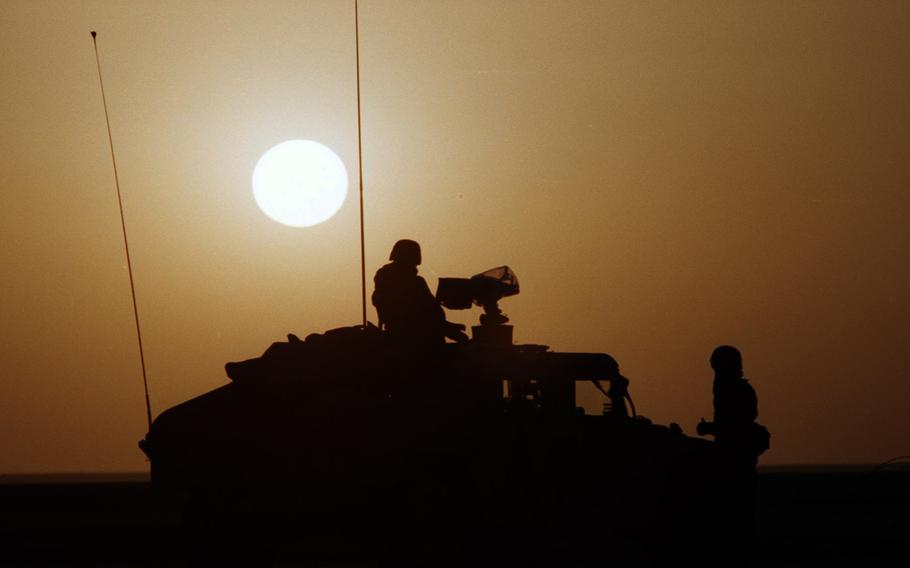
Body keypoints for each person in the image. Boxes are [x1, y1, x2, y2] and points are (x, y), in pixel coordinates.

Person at [696, 345, 769, 567]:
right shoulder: (729, 388)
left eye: (717, 365)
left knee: (734, 515)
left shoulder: (734, 390)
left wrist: (710, 428)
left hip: (734, 464)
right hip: (732, 462)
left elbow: (736, 425)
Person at [371, 239, 468, 346]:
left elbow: (427, 313)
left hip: (412, 335)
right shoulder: (413, 283)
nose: (415, 267)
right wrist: (448, 329)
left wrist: (447, 326)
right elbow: (421, 316)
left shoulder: (387, 280)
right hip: (418, 340)